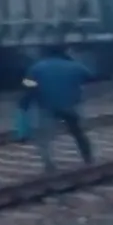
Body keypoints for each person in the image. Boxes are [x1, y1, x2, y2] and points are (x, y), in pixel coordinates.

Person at [20, 45, 95, 173]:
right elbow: (89, 76)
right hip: (71, 106)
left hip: (47, 106)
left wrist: (26, 103)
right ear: (64, 52)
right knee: (78, 133)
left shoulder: (37, 67)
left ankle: (49, 164)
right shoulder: (75, 66)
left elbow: (27, 85)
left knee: (44, 137)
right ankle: (88, 158)